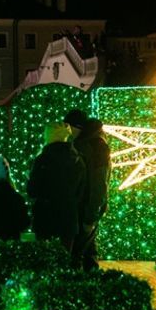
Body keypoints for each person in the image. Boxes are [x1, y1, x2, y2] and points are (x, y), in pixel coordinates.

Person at [26, 122, 87, 251]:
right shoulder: (77, 159)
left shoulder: (42, 160)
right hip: (68, 218)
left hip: (45, 218)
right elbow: (81, 191)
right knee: (65, 259)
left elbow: (32, 190)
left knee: (46, 260)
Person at [63, 108, 111, 270]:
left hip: (87, 208)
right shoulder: (87, 143)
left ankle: (82, 288)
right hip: (84, 207)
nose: (67, 131)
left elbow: (99, 182)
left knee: (77, 253)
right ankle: (91, 288)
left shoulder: (95, 146)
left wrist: (91, 215)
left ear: (77, 127)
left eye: (68, 127)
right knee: (88, 251)